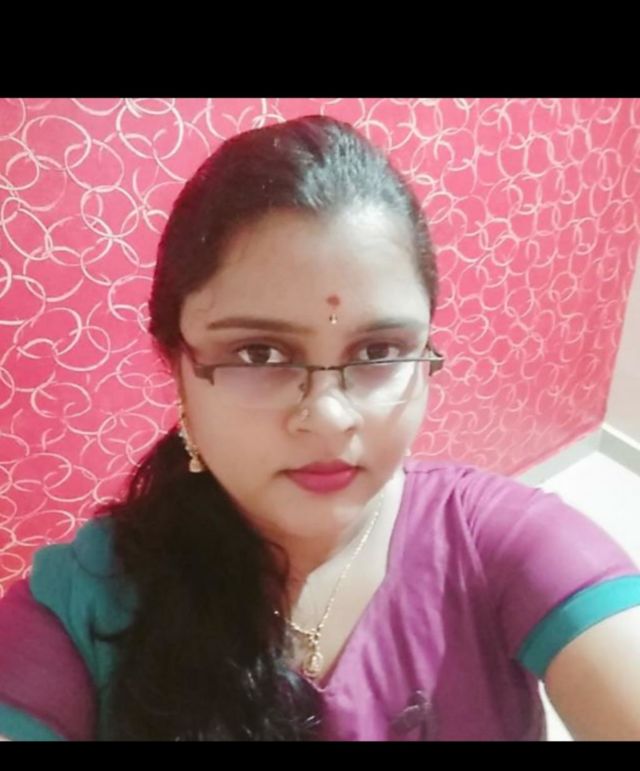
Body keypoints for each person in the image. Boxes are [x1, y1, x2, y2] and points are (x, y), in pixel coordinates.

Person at [1, 115, 640, 741]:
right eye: (259, 353)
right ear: (176, 365)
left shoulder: (500, 545)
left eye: (379, 351)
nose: (331, 418)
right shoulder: (80, 609)